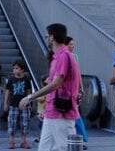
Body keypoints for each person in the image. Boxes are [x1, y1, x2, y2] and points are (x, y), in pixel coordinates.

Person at [19, 23, 80, 151]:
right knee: (44, 148)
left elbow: (56, 84)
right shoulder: (57, 57)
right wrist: (46, 108)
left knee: (64, 147)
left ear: (52, 37)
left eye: (47, 36)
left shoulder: (64, 56)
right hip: (53, 112)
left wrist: (31, 97)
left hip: (62, 113)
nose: (47, 38)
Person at [5, 60, 34, 149]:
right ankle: (11, 141)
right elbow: (7, 91)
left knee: (25, 122)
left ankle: (23, 141)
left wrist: (29, 102)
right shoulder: (11, 79)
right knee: (12, 122)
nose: (14, 70)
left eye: (17, 68)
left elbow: (29, 91)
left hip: (24, 104)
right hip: (13, 104)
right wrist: (5, 103)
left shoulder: (26, 79)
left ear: (22, 70)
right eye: (14, 68)